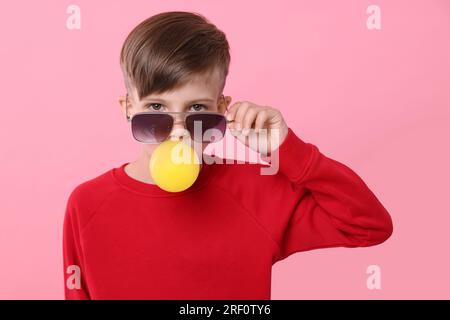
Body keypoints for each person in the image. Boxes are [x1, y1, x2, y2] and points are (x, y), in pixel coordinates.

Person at [63, 11, 393, 300]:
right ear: (128, 108)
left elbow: (368, 226)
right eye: (155, 108)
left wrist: (287, 149)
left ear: (222, 110)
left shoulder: (255, 192)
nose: (178, 131)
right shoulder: (87, 204)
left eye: (196, 109)